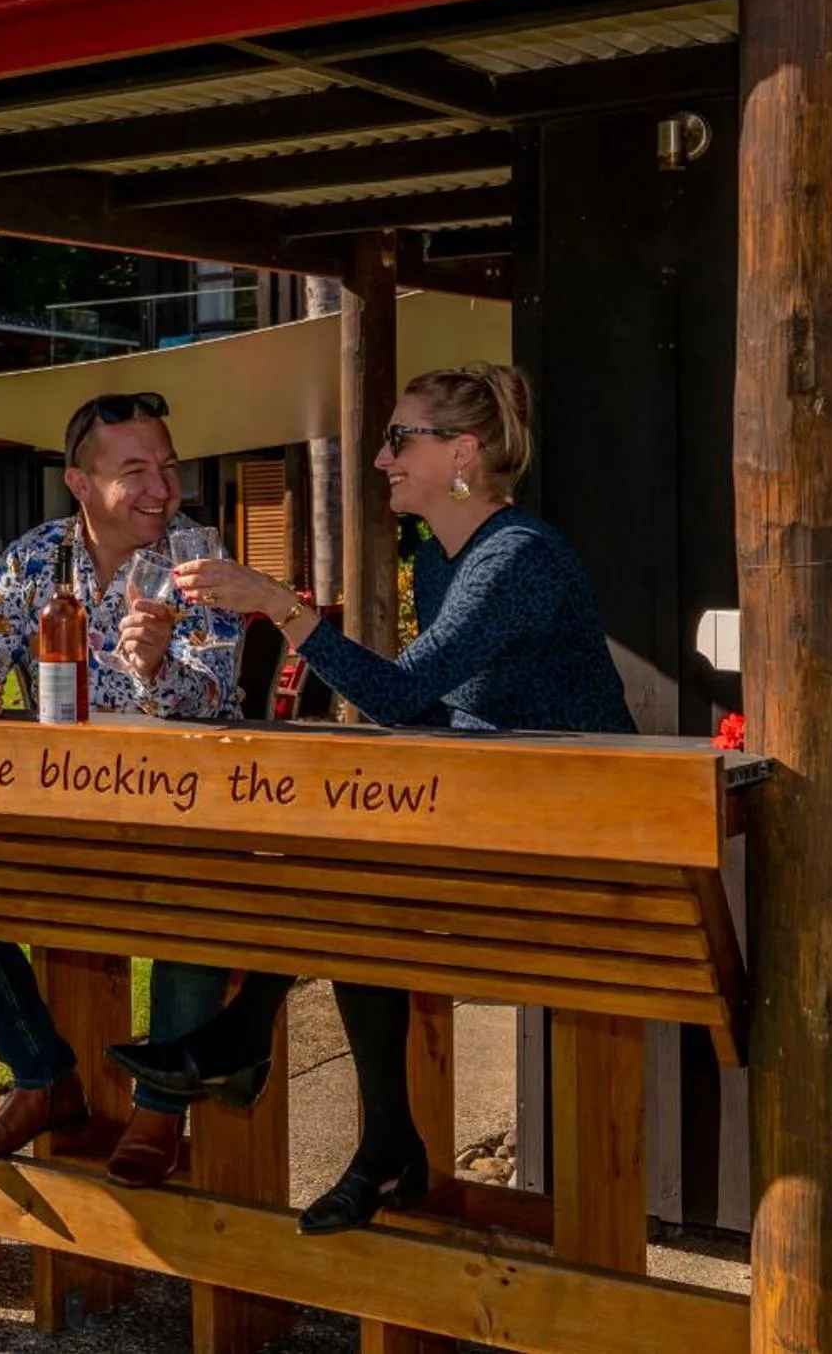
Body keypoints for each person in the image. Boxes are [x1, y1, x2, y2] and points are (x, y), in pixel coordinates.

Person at [110, 362, 635, 1235]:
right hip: (503, 821)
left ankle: (254, 1051)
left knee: (354, 881)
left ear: (462, 452)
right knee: (350, 881)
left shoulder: (519, 558)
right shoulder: (440, 559)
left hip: (583, 849)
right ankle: (366, 1133)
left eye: (400, 438)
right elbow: (432, 711)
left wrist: (281, 606)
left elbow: (398, 698)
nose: (383, 458)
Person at [0, 391, 244, 1189]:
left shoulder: (199, 560)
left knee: (195, 899)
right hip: (63, 819)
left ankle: (160, 1108)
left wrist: (156, 666)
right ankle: (42, 1080)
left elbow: (214, 694)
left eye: (168, 466)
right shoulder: (38, 556)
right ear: (79, 483)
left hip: (180, 819)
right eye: (135, 471)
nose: (162, 489)